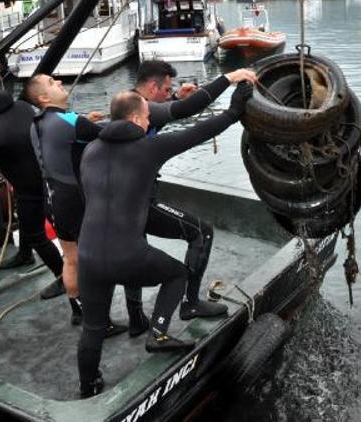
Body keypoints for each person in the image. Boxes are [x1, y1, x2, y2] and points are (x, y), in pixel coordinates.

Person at [76, 84, 253, 397]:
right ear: (134, 119)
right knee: (177, 274)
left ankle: (88, 388)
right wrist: (235, 110)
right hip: (126, 255)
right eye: (146, 118)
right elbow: (197, 132)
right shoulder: (147, 148)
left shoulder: (90, 151)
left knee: (92, 328)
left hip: (88, 256)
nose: (148, 123)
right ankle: (157, 333)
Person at [133, 60, 257, 320]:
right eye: (167, 90)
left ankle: (136, 318)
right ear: (153, 87)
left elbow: (173, 112)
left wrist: (177, 97)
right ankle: (189, 304)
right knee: (202, 232)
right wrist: (230, 80)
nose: (170, 95)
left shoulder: (127, 111)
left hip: (122, 202)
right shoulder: (142, 109)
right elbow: (189, 116)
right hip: (139, 201)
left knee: (134, 245)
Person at [23, 75, 135, 335]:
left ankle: (79, 311)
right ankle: (99, 322)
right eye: (52, 83)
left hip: (51, 199)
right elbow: (116, 132)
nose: (60, 81)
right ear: (43, 98)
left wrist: (85, 120)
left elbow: (67, 135)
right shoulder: (71, 122)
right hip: (74, 200)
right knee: (94, 260)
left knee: (71, 259)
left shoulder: (37, 123)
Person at [0, 82, 64, 298]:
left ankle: (63, 278)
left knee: (36, 234)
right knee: (23, 216)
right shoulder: (23, 106)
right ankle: (24, 254)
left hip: (30, 188)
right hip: (51, 177)